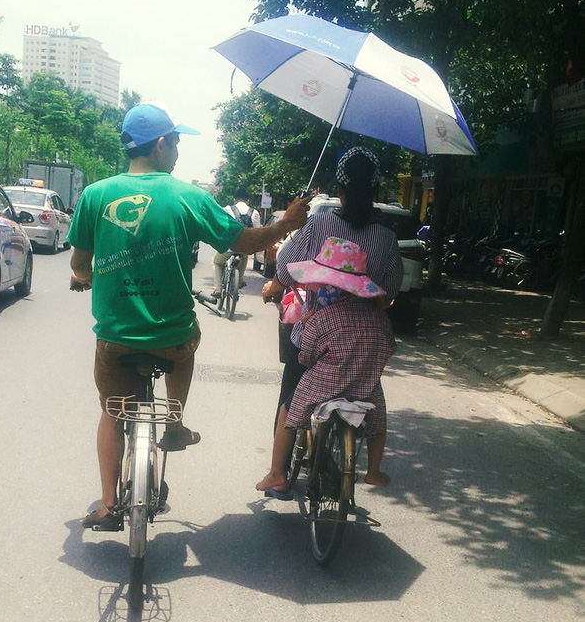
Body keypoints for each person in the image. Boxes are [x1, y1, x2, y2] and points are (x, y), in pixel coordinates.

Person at [68, 101, 310, 530]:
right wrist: (283, 225)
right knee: (188, 338)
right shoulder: (189, 196)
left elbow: (81, 263)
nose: (178, 151)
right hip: (171, 336)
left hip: (115, 337)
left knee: (111, 413)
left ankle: (107, 505)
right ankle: (174, 423)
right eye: (176, 142)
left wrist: (83, 277)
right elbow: (244, 243)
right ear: (161, 145)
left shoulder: (95, 194)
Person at [261, 146, 404, 491]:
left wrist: (281, 282)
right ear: (375, 191)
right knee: (371, 392)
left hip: (316, 333)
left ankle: (278, 474)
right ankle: (371, 468)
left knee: (291, 400)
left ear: (339, 191)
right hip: (365, 342)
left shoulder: (321, 221)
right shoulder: (385, 236)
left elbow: (286, 266)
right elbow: (392, 286)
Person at [256, 237, 395, 496]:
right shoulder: (380, 318)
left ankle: (277, 472)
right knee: (378, 422)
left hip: (322, 385)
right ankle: (374, 471)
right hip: (366, 386)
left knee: (287, 412)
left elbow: (305, 355)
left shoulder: (323, 316)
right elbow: (389, 347)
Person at [212, 187, 260, 296]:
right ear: (248, 201)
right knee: (244, 256)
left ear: (235, 199)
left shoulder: (228, 209)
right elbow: (257, 231)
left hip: (229, 246)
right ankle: (240, 281)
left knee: (217, 262)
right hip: (245, 248)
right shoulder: (255, 213)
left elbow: (220, 226)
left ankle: (218, 289)